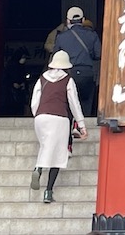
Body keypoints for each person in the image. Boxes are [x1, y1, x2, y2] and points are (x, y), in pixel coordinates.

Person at [30, 49, 88, 204]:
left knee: (45, 146)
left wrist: (38, 114)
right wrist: (81, 124)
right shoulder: (68, 80)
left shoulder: (42, 78)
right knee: (57, 155)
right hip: (59, 118)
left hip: (41, 118)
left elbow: (35, 100)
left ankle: (38, 168)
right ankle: (48, 191)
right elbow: (74, 104)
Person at [50, 6, 101, 116]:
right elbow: (98, 54)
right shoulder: (92, 35)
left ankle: (70, 128)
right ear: (83, 20)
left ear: (68, 21)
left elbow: (55, 56)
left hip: (68, 73)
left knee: (68, 103)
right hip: (87, 74)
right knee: (86, 105)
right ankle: (83, 128)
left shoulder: (61, 37)